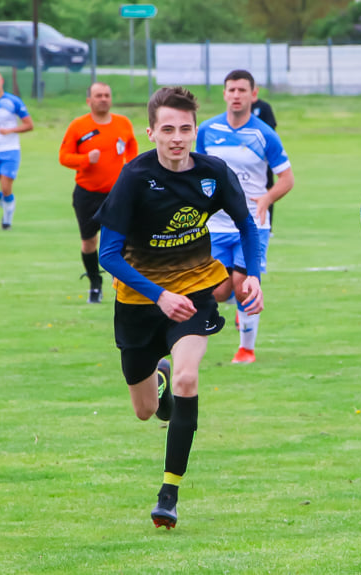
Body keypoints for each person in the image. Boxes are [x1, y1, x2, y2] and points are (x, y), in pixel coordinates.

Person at [95, 86, 264, 529]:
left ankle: (168, 493)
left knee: (189, 376)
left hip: (195, 292)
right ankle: (159, 377)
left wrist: (253, 273)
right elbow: (108, 255)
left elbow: (247, 223)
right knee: (146, 410)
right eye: (167, 129)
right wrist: (158, 295)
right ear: (150, 132)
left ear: (195, 131)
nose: (176, 137)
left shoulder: (213, 173)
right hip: (139, 303)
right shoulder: (134, 178)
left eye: (185, 128)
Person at [196, 69, 294, 364]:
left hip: (251, 224)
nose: (236, 95)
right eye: (231, 90)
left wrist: (266, 198)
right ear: (224, 94)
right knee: (217, 291)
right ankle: (238, 306)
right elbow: (198, 172)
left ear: (254, 94)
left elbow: (287, 179)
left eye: (242, 90)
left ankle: (246, 349)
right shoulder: (207, 131)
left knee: (244, 284)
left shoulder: (264, 134)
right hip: (215, 225)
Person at [59, 82, 139, 303]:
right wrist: (85, 159)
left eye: (106, 95)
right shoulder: (78, 126)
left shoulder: (123, 123)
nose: (103, 99)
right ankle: (95, 283)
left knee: (122, 241)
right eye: (98, 95)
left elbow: (131, 146)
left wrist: (129, 168)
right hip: (87, 193)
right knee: (89, 242)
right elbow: (64, 156)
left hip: (116, 194)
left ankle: (124, 285)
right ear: (89, 101)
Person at [0, 66, 34, 230]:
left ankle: (7, 220)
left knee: (6, 188)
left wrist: (10, 130)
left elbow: (29, 125)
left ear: (1, 81)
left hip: (10, 149)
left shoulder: (14, 101)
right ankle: (8, 205)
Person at [252, 94, 279, 230]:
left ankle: (268, 226)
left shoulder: (264, 107)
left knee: (268, 191)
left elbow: (271, 130)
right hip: (247, 160)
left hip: (263, 159)